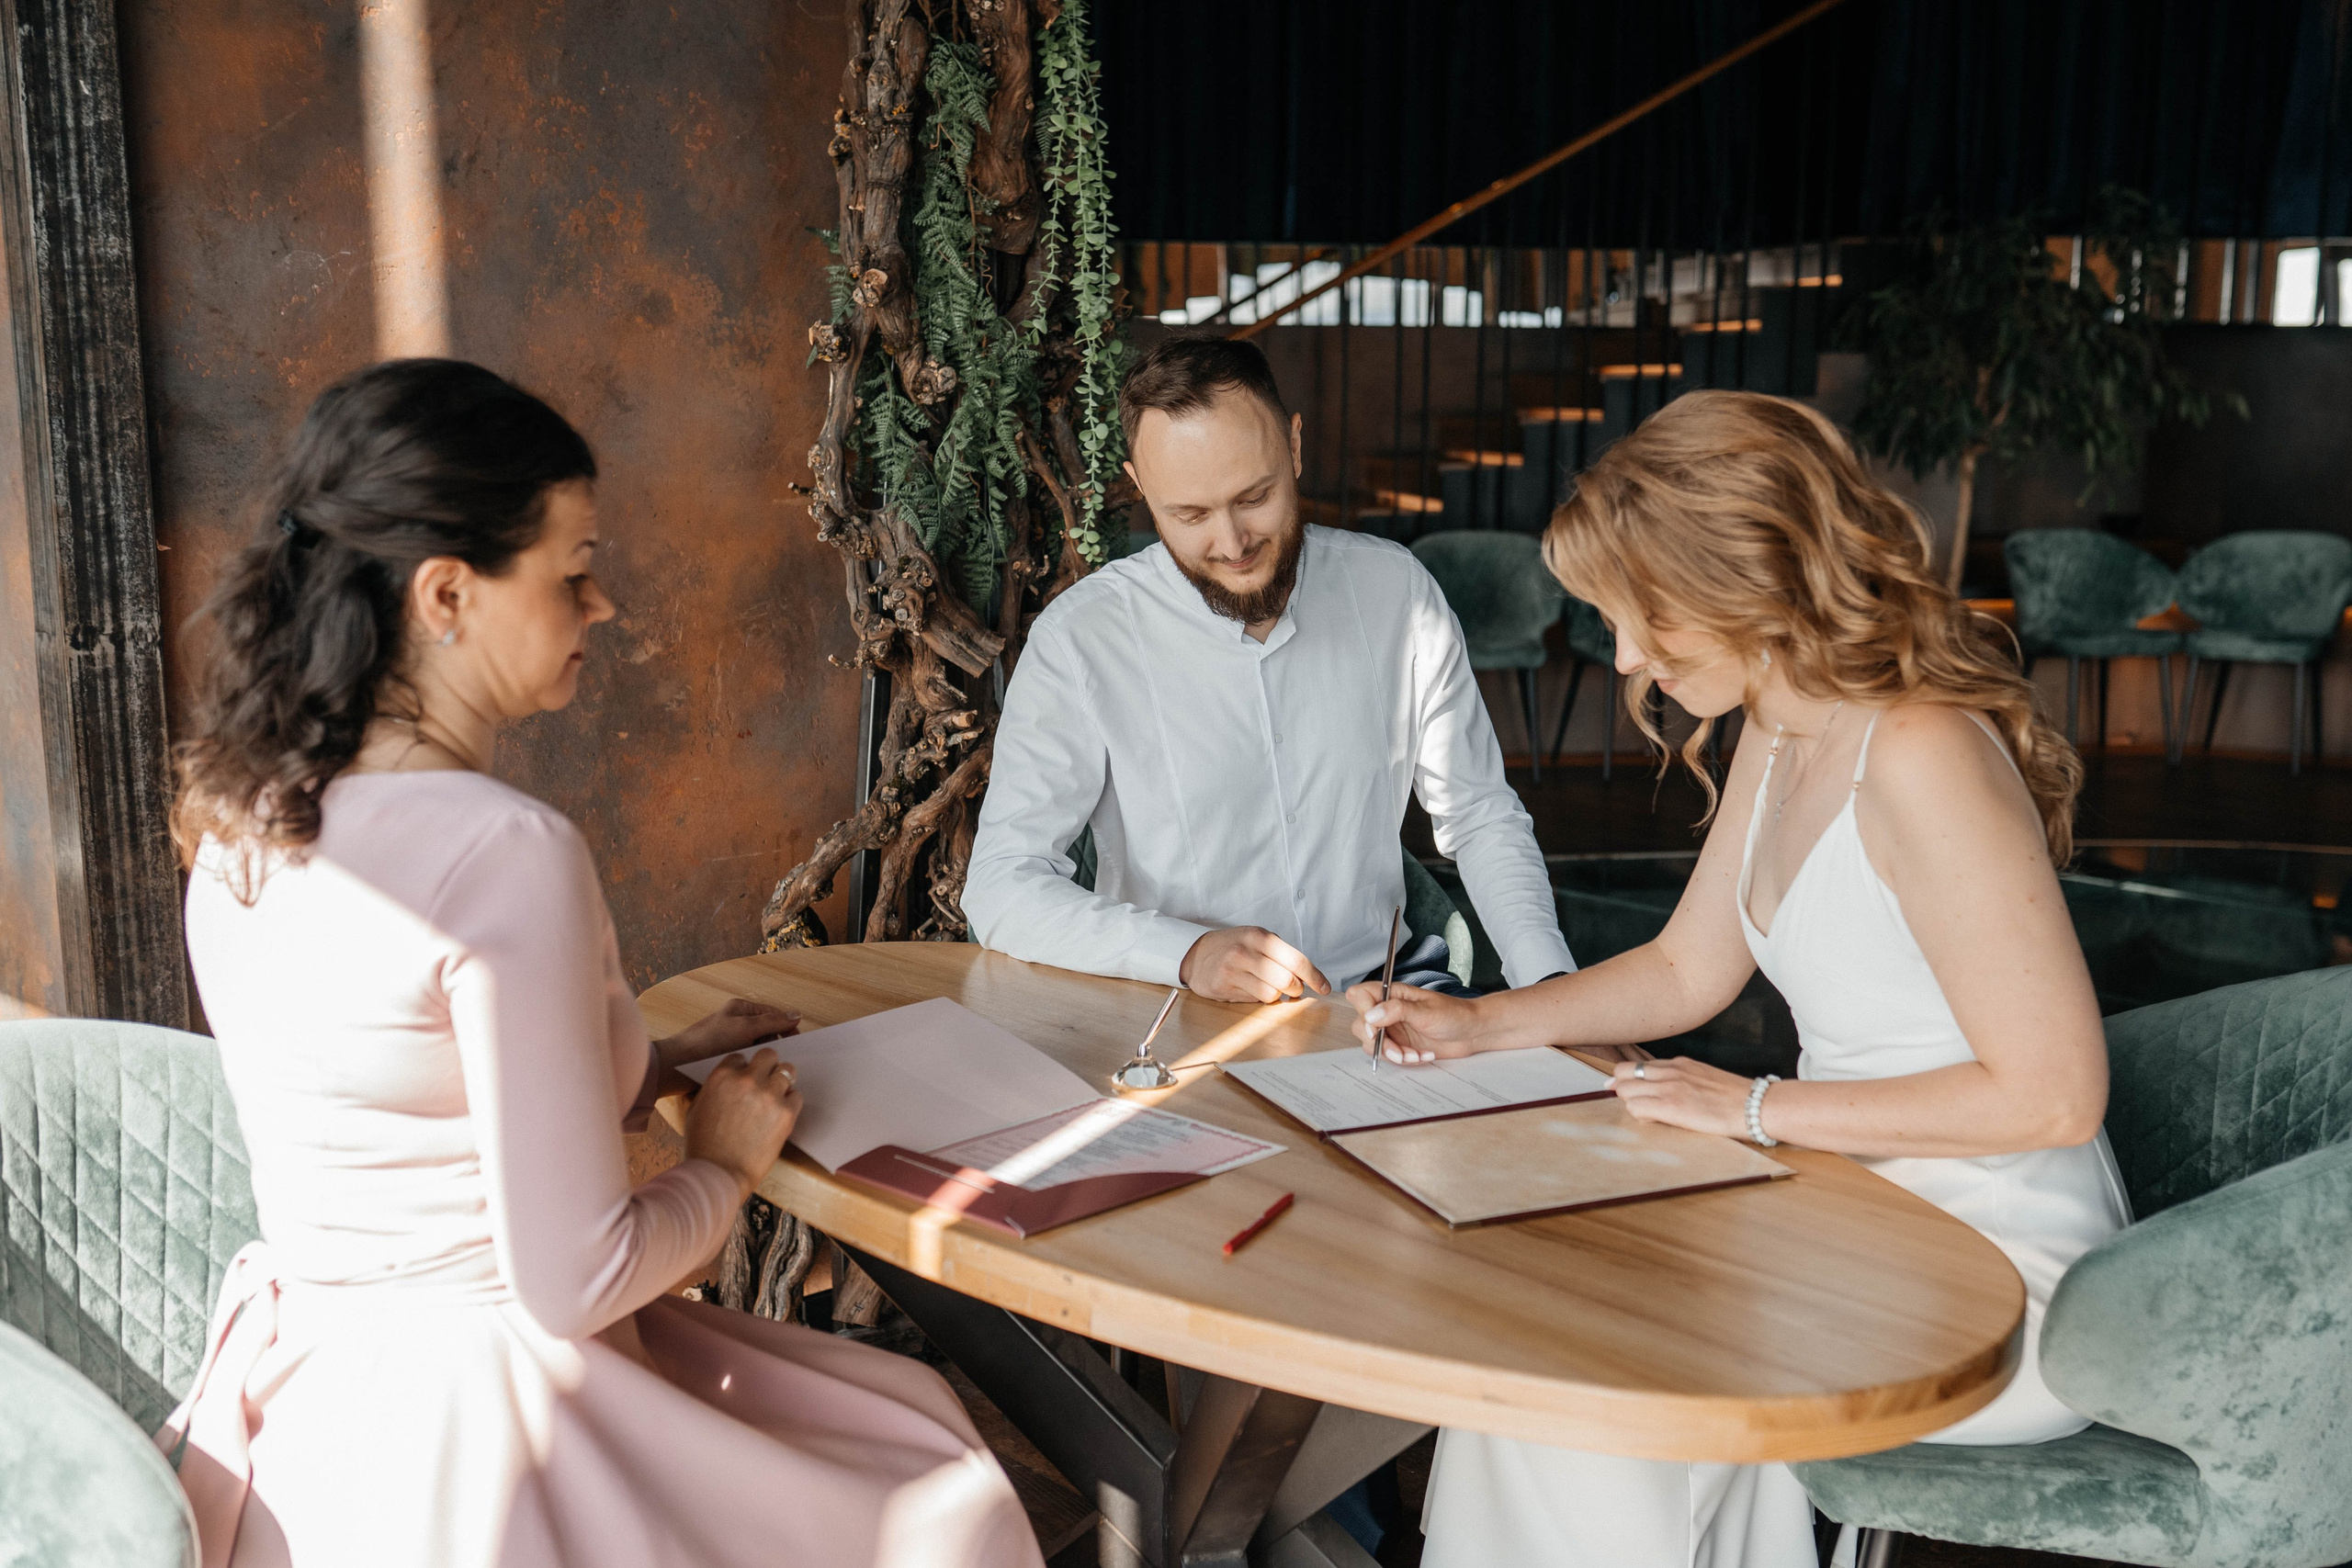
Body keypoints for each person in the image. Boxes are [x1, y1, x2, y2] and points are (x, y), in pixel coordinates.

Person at [165, 359, 1040, 1568]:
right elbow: (575, 1280)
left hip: (313, 1404)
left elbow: (402, 1089)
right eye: (574, 570)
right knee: (936, 1475)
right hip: (489, 1421)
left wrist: (643, 1054)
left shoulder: (241, 816)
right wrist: (723, 1161)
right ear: (447, 595)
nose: (605, 604)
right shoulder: (502, 850)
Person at [1345, 391, 2132, 1568]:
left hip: (1993, 1269)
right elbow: (1684, 967)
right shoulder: (1780, 726)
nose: (1624, 659)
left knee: (1601, 1373)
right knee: (1548, 1324)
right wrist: (1473, 1026)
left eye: (1642, 621)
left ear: (1744, 581)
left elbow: (2056, 1097)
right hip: (1850, 1206)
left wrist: (1755, 1108)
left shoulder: (1916, 750)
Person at [962, 336, 1571, 1006]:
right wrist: (1185, 952)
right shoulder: (1080, 640)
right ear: (1139, 487)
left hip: (1387, 994)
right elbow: (1002, 884)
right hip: (1178, 1004)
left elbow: (1482, 814)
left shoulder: (1398, 594)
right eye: (1189, 514)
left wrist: (1552, 992)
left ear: (1295, 447)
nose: (1232, 543)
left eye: (1254, 496)